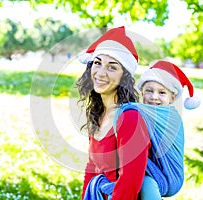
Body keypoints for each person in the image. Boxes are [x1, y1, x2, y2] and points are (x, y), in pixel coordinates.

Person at [76, 26, 151, 200]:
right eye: (97, 63)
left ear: (124, 76)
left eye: (112, 67)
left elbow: (129, 183)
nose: (101, 73)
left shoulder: (130, 118)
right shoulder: (96, 113)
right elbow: (91, 168)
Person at [135, 60, 200, 199]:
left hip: (168, 176)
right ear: (141, 92)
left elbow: (128, 109)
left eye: (162, 92)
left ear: (172, 97)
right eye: (149, 91)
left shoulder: (171, 117)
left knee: (147, 183)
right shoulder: (141, 113)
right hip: (150, 169)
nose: (154, 97)